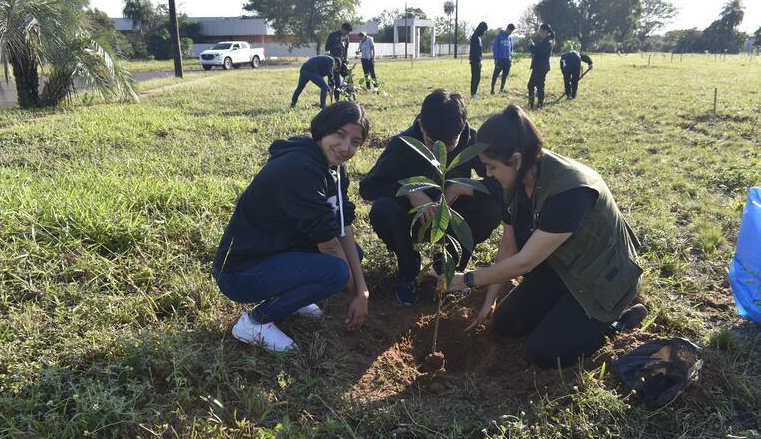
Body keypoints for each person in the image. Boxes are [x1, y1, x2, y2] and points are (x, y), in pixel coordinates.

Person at [440, 105, 648, 369]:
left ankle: (618, 322)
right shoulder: (517, 179)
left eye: (491, 167)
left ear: (515, 159)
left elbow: (524, 263)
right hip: (562, 266)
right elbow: (508, 246)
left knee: (545, 352)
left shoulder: (569, 191)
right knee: (505, 324)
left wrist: (468, 279)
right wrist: (489, 301)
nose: (488, 174)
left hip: (601, 280)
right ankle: (563, 315)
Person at [213, 102, 371, 352]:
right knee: (336, 272)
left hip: (275, 251)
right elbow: (329, 244)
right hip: (240, 272)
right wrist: (354, 292)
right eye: (339, 135)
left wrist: (362, 291)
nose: (345, 147)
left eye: (355, 141)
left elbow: (343, 226)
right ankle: (255, 322)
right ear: (323, 129)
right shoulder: (300, 168)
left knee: (353, 258)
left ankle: (293, 298)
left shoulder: (335, 168)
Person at [360, 89, 502, 305]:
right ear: (421, 125)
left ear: (462, 128)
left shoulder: (473, 142)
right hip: (413, 220)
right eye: (431, 142)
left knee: (491, 208)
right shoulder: (404, 143)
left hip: (454, 217)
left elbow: (502, 183)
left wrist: (459, 188)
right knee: (383, 209)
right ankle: (409, 270)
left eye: (449, 145)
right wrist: (410, 191)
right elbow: (369, 187)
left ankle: (447, 268)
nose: (439, 151)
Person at [527, 23, 555, 109]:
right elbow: (537, 50)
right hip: (541, 66)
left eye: (541, 31)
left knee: (533, 85)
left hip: (540, 67)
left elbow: (538, 53)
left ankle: (535, 104)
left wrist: (531, 45)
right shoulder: (545, 41)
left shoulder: (547, 42)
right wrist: (532, 45)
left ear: (546, 31)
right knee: (538, 85)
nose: (540, 32)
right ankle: (537, 103)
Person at [326, 22, 353, 96]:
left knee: (349, 78)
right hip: (334, 62)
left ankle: (349, 96)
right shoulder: (332, 35)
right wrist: (337, 46)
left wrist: (346, 58)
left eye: (348, 32)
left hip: (343, 61)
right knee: (337, 82)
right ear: (342, 28)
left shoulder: (346, 38)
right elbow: (327, 48)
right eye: (346, 31)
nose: (347, 33)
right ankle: (337, 100)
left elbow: (346, 49)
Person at [491, 23, 515, 94]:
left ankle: (501, 89)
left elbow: (511, 50)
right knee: (495, 75)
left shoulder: (510, 38)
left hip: (507, 60)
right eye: (510, 31)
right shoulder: (499, 36)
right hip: (500, 60)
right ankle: (492, 89)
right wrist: (495, 58)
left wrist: (511, 59)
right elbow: (495, 48)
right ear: (507, 28)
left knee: (505, 76)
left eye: (512, 32)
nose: (510, 33)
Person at [469, 22, 488, 100]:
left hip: (478, 60)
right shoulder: (474, 37)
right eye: (484, 30)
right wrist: (478, 60)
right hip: (475, 60)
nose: (484, 32)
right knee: (475, 77)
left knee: (478, 77)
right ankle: (473, 94)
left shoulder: (479, 37)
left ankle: (475, 92)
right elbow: (474, 51)